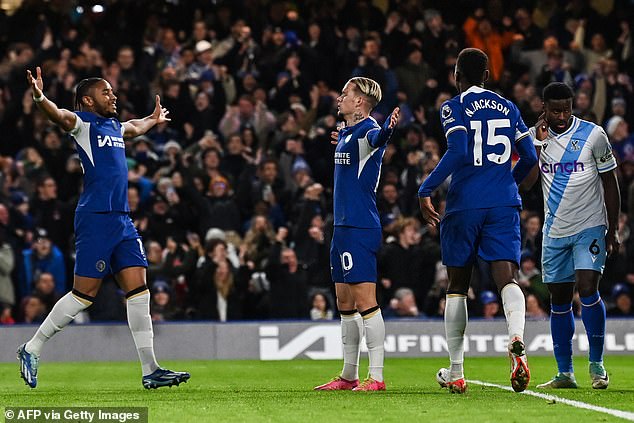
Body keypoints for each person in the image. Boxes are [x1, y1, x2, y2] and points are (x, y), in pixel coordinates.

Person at [17, 67, 190, 389]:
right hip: (95, 217)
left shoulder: (113, 125)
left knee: (139, 291)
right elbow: (58, 115)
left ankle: (150, 370)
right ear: (88, 99)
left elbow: (134, 127)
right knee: (84, 295)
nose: (113, 95)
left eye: (112, 91)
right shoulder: (82, 124)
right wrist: (40, 96)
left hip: (122, 219)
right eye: (106, 92)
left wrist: (152, 120)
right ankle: (31, 347)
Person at [418, 48, 537, 394]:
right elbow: (529, 156)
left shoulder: (452, 107)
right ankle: (516, 339)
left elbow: (457, 150)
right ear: (487, 76)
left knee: (457, 285)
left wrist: (426, 187)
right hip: (503, 203)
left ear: (457, 77)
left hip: (465, 204)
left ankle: (456, 371)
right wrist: (506, 184)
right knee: (507, 277)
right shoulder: (509, 107)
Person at [523, 82, 620, 390]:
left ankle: (597, 365)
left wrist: (613, 228)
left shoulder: (594, 135)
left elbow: (610, 183)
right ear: (544, 108)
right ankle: (565, 372)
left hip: (589, 225)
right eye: (555, 110)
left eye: (566, 109)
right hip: (554, 231)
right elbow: (525, 184)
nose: (562, 115)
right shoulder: (533, 136)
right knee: (560, 299)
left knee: (588, 288)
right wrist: (536, 146)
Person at [314, 77, 399, 392]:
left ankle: (376, 377)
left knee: (365, 300)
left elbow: (378, 139)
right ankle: (349, 375)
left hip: (361, 226)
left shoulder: (368, 130)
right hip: (343, 227)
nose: (339, 98)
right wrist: (343, 138)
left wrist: (388, 130)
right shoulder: (349, 133)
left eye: (345, 93)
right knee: (344, 301)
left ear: (360, 101)